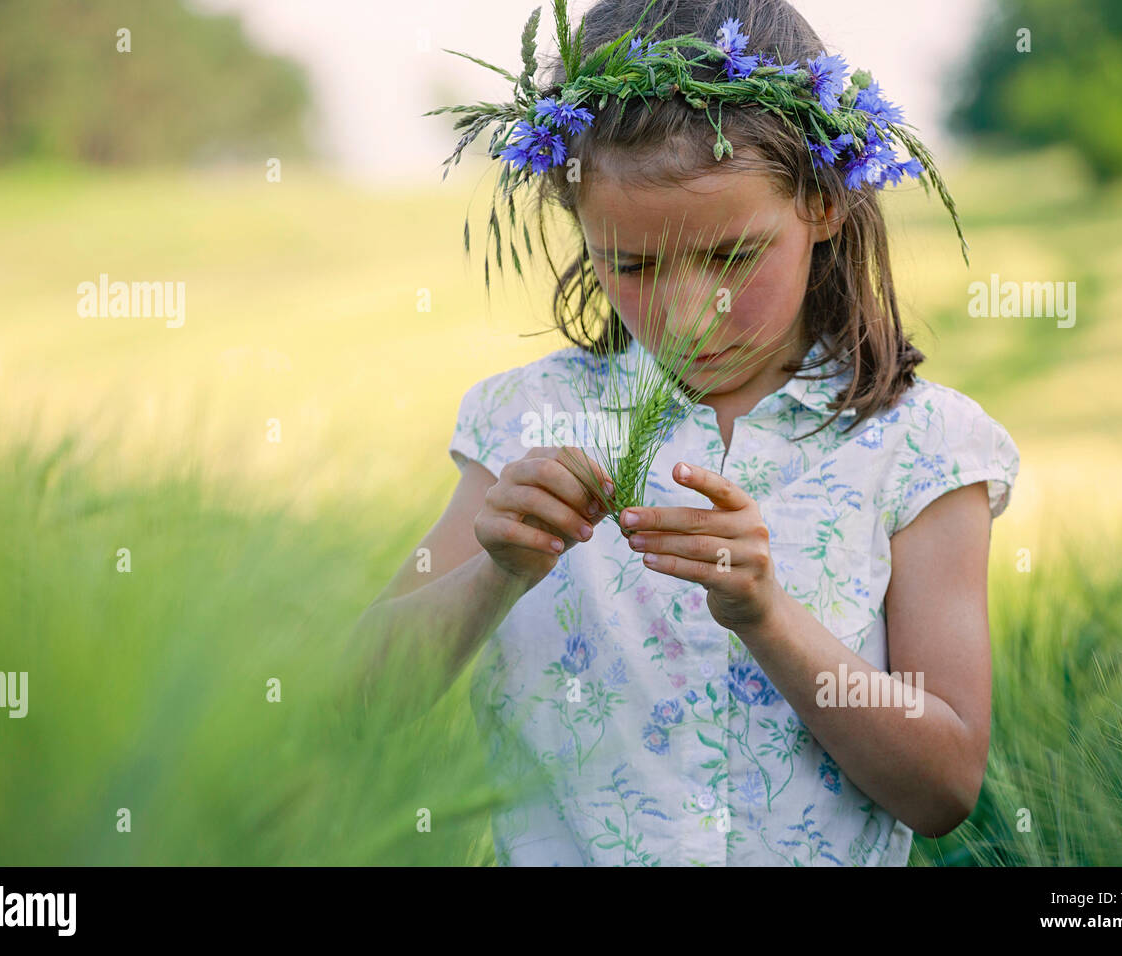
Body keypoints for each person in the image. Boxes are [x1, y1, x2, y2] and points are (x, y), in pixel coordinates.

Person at [358, 0, 1020, 865]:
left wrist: (768, 617)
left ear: (823, 200)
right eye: (630, 264)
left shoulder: (920, 446)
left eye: (733, 257)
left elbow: (943, 790)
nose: (681, 311)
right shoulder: (523, 424)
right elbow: (356, 711)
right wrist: (497, 572)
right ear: (578, 220)